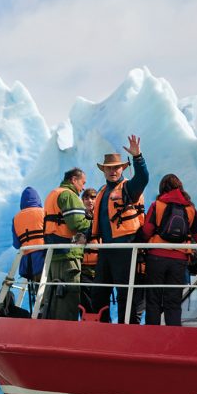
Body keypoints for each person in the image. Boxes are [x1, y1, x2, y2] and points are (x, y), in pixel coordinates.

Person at [90, 135, 148, 323]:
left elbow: (143, 178)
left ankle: (126, 327)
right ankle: (102, 326)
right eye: (109, 168)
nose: (112, 171)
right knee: (99, 291)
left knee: (125, 291)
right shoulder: (102, 192)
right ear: (104, 171)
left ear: (122, 169)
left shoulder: (128, 189)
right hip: (107, 249)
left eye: (116, 168)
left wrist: (138, 157)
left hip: (125, 247)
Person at [138, 174, 197, 326]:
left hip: (156, 256)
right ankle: (172, 337)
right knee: (173, 302)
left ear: (162, 188)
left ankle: (152, 336)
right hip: (179, 260)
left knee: (153, 299)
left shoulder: (157, 204)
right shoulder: (190, 208)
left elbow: (147, 231)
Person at [41, 168, 91, 320]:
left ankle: (51, 332)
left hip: (53, 252)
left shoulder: (53, 193)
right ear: (73, 180)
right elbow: (76, 223)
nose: (82, 188)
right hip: (68, 254)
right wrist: (94, 225)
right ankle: (66, 332)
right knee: (69, 298)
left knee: (54, 296)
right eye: (82, 183)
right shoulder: (69, 195)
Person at [12, 187, 46, 311]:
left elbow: (16, 244)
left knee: (36, 292)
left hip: (28, 263)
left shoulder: (16, 218)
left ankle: (38, 315)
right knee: (47, 291)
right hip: (44, 259)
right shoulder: (43, 212)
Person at [80, 188, 99, 314]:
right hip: (84, 267)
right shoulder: (79, 218)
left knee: (100, 300)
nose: (89, 201)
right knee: (85, 302)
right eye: (86, 198)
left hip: (99, 266)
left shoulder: (102, 217)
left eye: (92, 198)